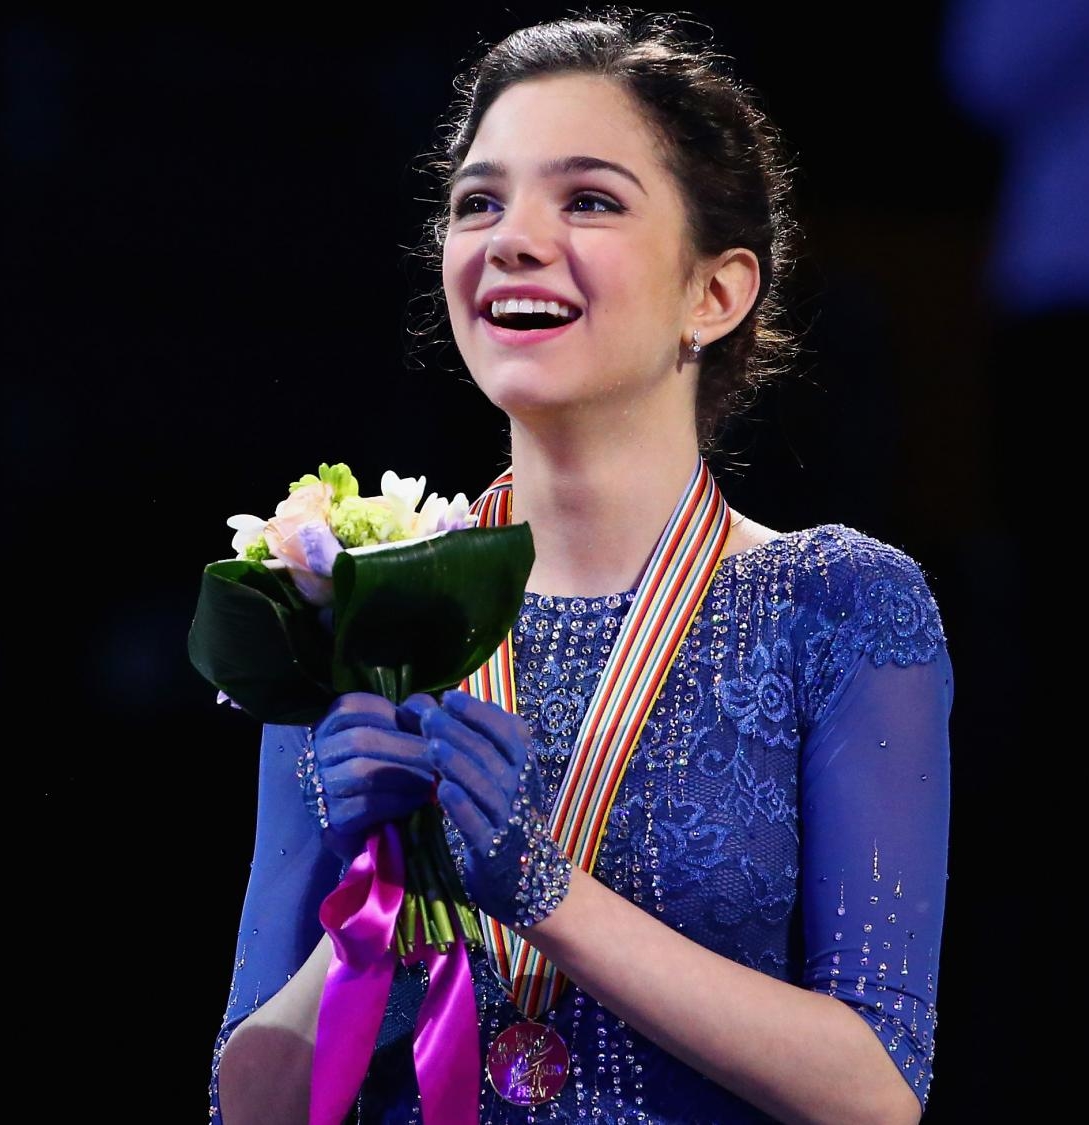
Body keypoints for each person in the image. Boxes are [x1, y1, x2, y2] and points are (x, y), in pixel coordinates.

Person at [208, 12, 954, 1124]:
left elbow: (877, 1090)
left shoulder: (836, 605)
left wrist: (544, 889)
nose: (512, 238)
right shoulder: (358, 613)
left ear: (715, 293)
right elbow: (248, 1105)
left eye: (589, 200)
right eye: (479, 202)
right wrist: (377, 896)